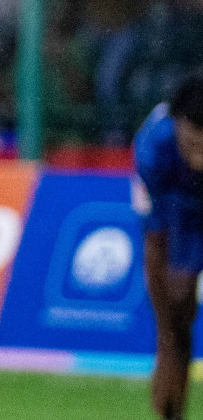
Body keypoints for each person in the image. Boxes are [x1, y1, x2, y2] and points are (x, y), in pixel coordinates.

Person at [134, 77, 203, 420]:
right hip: (171, 211)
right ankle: (171, 412)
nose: (201, 156)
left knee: (184, 307)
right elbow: (155, 220)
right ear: (179, 126)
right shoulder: (153, 146)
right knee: (171, 318)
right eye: (194, 143)